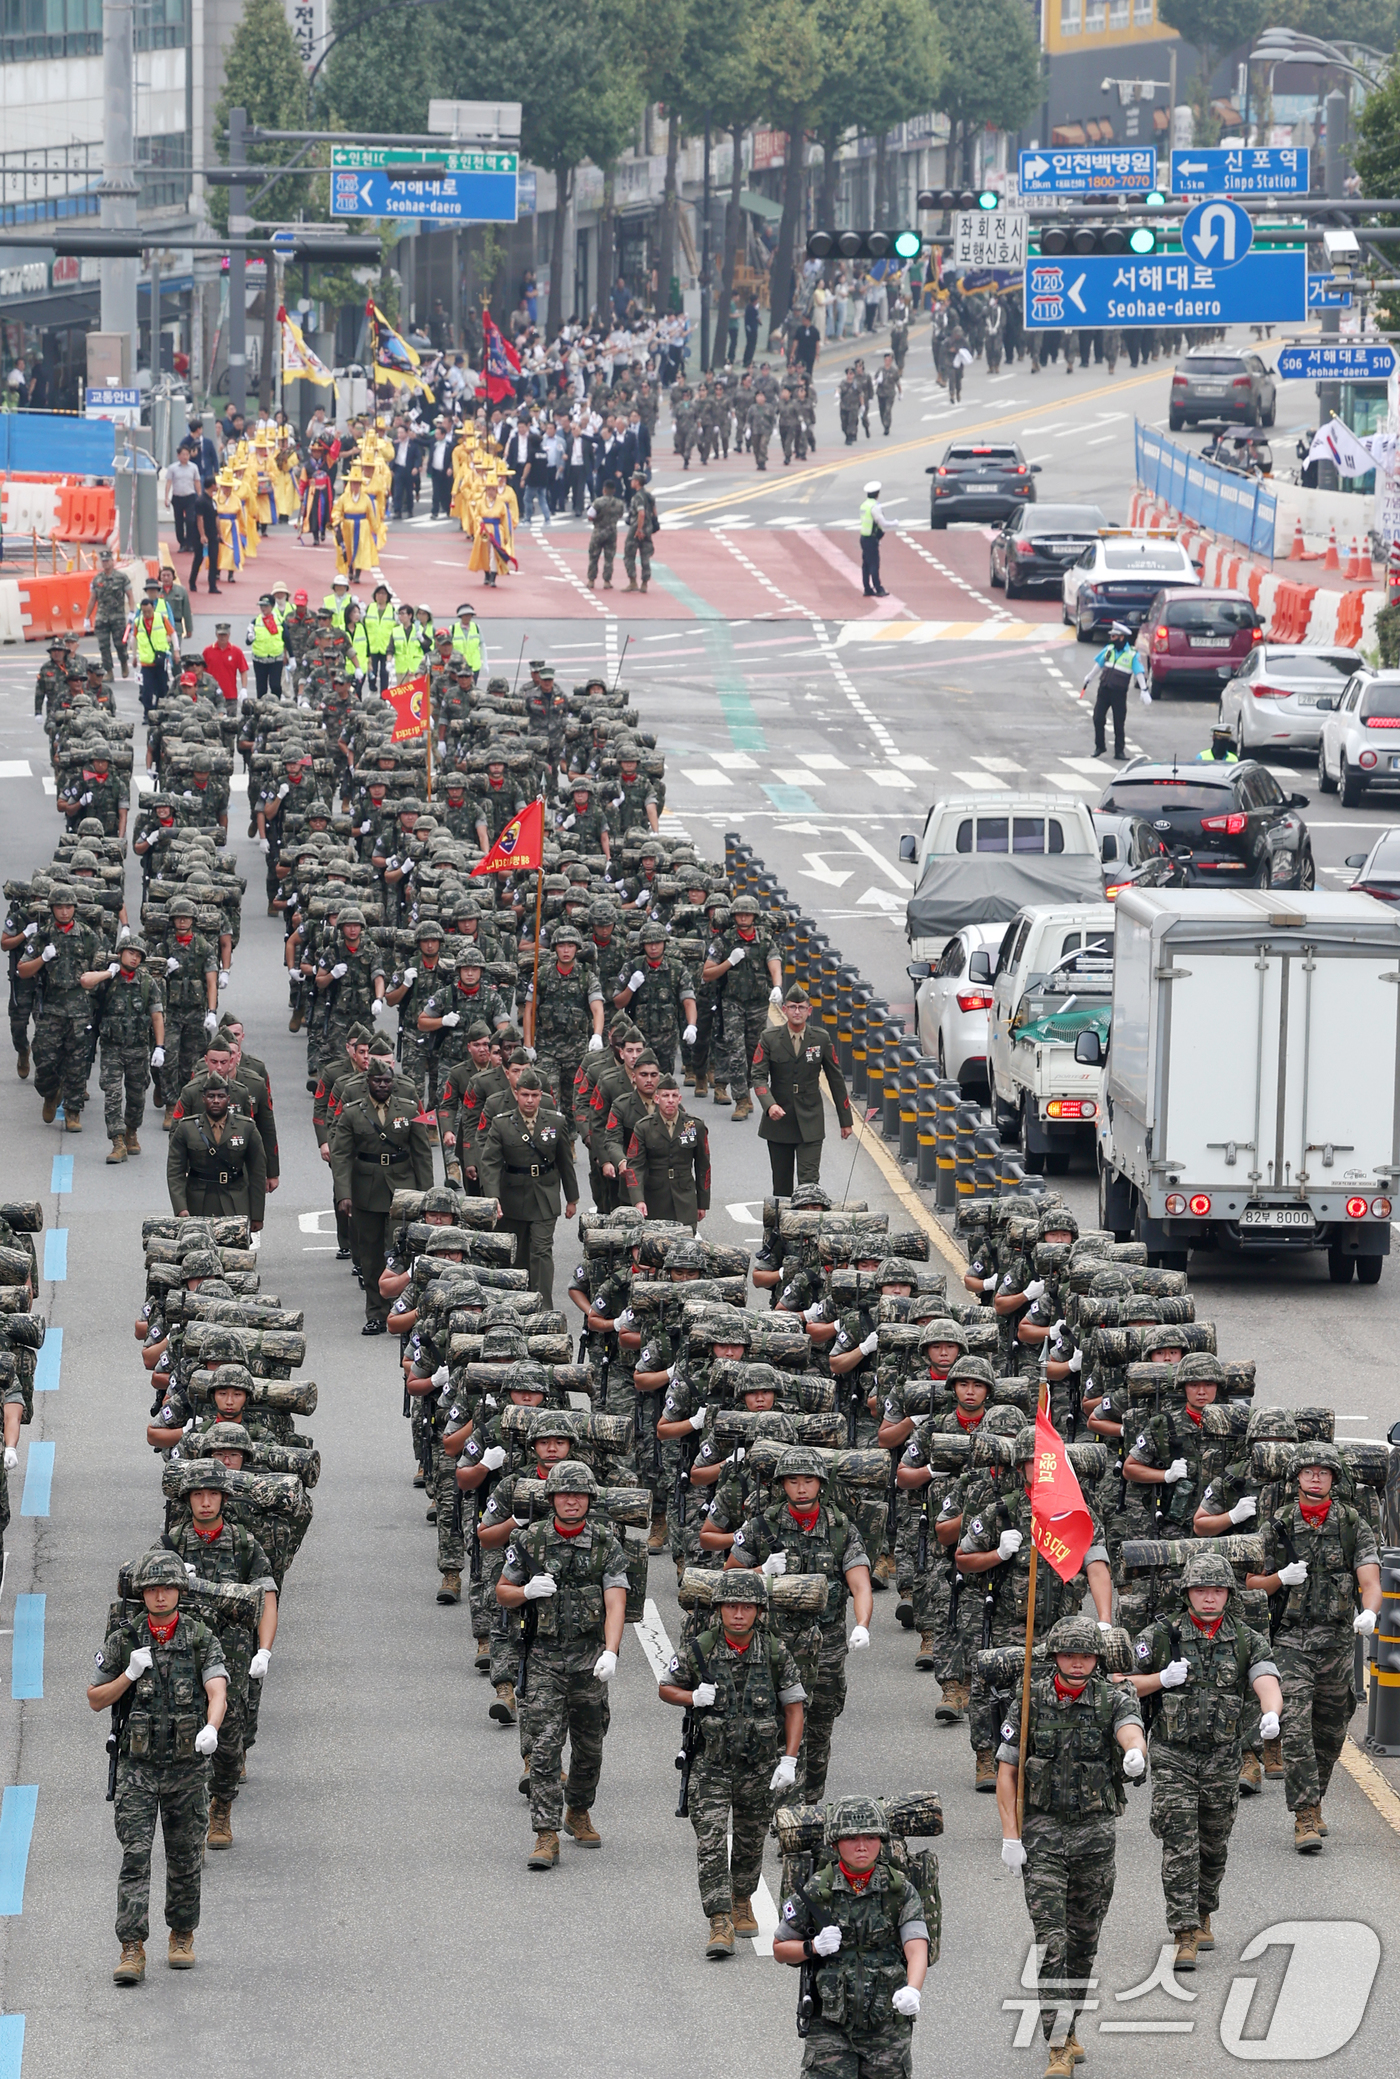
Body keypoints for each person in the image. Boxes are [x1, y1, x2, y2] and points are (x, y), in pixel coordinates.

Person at [996, 1615, 1148, 2074]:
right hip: (1042, 1838)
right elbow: (1008, 1770)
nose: (1077, 1663)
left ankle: (1072, 2021)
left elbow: (1129, 1728)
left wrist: (1135, 1751)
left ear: (1097, 1659)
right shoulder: (1029, 1701)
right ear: (1055, 1657)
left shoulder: (1113, 1698)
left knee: (1084, 1941)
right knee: (1053, 1941)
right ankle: (1057, 2042)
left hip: (1095, 1840)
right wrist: (1010, 1835)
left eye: (1086, 1655)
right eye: (1069, 1655)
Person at [1129, 1550, 1282, 1969]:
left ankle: (1203, 1910)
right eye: (1201, 1590)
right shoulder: (1161, 1636)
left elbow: (1265, 1676)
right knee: (1181, 1843)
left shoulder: (1248, 1638)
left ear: (1229, 1594)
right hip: (1172, 1756)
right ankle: (1184, 1932)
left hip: (1222, 1757)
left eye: (1217, 1590)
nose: (1209, 1598)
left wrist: (1271, 1711)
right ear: (1187, 1593)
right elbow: (1116, 1680)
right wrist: (1158, 1679)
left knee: (1214, 1845)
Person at [87, 1548, 228, 1983]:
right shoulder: (123, 1639)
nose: (160, 1596)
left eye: (167, 1588)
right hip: (138, 1769)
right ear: (143, 1594)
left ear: (179, 1592)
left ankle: (181, 1935)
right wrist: (128, 1674)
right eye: (152, 1589)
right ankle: (131, 1948)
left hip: (187, 1770)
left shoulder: (201, 1636)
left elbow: (217, 1686)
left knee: (185, 1857)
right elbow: (94, 1699)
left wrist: (212, 1727)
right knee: (135, 1857)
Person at [658, 1570, 804, 1957]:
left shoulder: (774, 1652)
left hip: (758, 1765)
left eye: (746, 1607)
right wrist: (691, 1698)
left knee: (750, 1840)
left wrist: (788, 1759)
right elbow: (665, 1687)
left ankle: (742, 1899)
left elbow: (793, 1706)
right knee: (709, 1843)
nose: (738, 1614)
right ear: (719, 1609)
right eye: (730, 1606)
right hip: (711, 1765)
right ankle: (719, 1920)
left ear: (758, 1611)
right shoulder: (700, 1649)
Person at [1246, 1439, 1381, 1852]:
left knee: (1332, 1727)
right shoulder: (1279, 1524)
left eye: (1324, 1472)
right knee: (1298, 1725)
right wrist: (1278, 1580)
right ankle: (1304, 1815)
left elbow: (1371, 1580)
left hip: (1338, 1641)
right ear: (1297, 1479)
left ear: (1333, 1479)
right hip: (1290, 1640)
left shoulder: (1351, 1524)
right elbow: (1250, 1581)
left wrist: (1370, 1612)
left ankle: (1315, 1798)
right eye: (1309, 1472)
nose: (1316, 1477)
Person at [496, 1459, 629, 1870]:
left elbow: (615, 1601)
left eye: (579, 1494)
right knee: (544, 1748)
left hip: (589, 1659)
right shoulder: (530, 1541)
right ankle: (545, 1834)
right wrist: (525, 1591)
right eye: (564, 1494)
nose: (572, 1500)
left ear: (589, 1499)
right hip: (543, 1659)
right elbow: (502, 1592)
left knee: (589, 1749)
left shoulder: (606, 1543)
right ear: (551, 1498)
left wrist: (611, 1651)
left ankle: (578, 1810)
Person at [728, 1448, 872, 1806]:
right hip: (775, 1647)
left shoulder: (840, 1529)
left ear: (820, 1484)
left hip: (826, 1646)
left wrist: (863, 1624)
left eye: (808, 1480)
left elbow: (860, 1582)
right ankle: (783, 1811)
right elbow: (728, 1578)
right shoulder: (762, 1526)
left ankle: (808, 1809)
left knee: (820, 1728)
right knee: (779, 1727)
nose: (801, 1488)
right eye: (793, 1481)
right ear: (782, 1486)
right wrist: (761, 1571)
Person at [163, 1458, 278, 1851]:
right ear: (188, 1499)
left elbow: (265, 1598)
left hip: (232, 1655)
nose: (206, 1502)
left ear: (224, 1499)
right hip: (181, 1655)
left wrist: (264, 1649)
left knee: (230, 1743)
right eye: (198, 1494)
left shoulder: (244, 1544)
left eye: (213, 1494)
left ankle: (222, 1803)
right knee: (181, 1738)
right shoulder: (171, 1544)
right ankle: (192, 1814)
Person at [773, 1796, 930, 2061]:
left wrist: (913, 1988)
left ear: (881, 1841)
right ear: (835, 1844)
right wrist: (812, 1947)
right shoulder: (816, 1890)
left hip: (887, 2025)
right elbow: (780, 1949)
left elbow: (916, 1948)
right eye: (851, 1839)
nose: (861, 1847)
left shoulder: (899, 1890)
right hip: (829, 2026)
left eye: (870, 1838)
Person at [330, 1057, 435, 1333]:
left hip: (403, 1187)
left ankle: (403, 1310)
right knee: (371, 1253)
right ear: (368, 1083)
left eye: (387, 1081)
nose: (382, 1085)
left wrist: (427, 1196)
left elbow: (423, 1154)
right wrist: (343, 1193)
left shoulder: (409, 1109)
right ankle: (376, 1311)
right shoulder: (353, 1112)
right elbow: (341, 1155)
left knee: (402, 1251)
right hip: (366, 1188)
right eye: (377, 1081)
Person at [477, 1068, 579, 1305]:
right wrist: (494, 1199)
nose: (530, 1100)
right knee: (518, 1254)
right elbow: (489, 1163)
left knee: (541, 1252)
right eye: (525, 1095)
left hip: (545, 1194)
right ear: (516, 1094)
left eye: (534, 1095)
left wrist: (572, 1198)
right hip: (512, 1196)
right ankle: (518, 1304)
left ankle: (543, 1307)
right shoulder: (501, 1124)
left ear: (541, 1094)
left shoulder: (555, 1121)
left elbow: (565, 1161)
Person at [16, 882, 101, 1130]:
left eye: (68, 907)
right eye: (59, 907)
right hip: (51, 1008)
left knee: (77, 1062)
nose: (64, 912)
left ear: (75, 908)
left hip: (79, 1008)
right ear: (51, 909)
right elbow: (22, 970)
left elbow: (101, 968)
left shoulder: (88, 936)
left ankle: (73, 1112)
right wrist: (42, 958)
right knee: (43, 1060)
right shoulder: (42, 936)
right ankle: (50, 1092)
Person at [751, 985, 853, 1194]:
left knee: (809, 1185)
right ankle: (779, 1226)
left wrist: (846, 1121)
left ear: (809, 1010)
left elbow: (836, 1080)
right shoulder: (769, 1038)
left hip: (811, 1119)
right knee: (781, 1187)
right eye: (792, 1007)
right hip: (779, 1122)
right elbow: (758, 1077)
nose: (797, 1012)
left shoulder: (821, 1038)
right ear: (784, 1009)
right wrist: (770, 1106)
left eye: (801, 1007)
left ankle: (807, 1224)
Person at [84, 933, 164, 1164]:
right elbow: (85, 981)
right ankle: (117, 1142)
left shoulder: (148, 982)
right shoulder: (109, 979)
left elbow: (157, 1016)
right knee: (112, 1094)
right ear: (120, 954)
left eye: (138, 955)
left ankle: (131, 1131)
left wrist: (159, 1047)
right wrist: (108, 973)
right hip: (112, 1049)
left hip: (139, 1049)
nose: (134, 958)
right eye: (130, 953)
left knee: (137, 1096)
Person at [165, 1073, 267, 1230]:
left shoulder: (246, 1127)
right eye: (211, 1096)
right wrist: (180, 1208)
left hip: (235, 1202)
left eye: (221, 1096)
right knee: (198, 1251)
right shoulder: (187, 1128)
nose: (216, 1101)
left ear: (229, 1099)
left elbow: (257, 1173)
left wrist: (257, 1215)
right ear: (203, 1099)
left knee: (235, 1254)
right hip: (198, 1204)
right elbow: (175, 1171)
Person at [621, 1073, 710, 1229]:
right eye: (665, 1095)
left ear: (679, 1099)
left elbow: (703, 1166)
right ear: (657, 1099)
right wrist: (638, 1200)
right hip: (655, 1198)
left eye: (674, 1095)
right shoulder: (644, 1127)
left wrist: (702, 1202)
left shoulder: (693, 1125)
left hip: (685, 1198)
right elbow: (634, 1167)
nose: (670, 1100)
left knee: (686, 1247)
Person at [1080, 623, 1148, 760]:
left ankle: (1119, 751)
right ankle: (1100, 746)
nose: (1111, 638)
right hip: (1104, 689)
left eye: (1114, 636)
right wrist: (1089, 677)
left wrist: (1144, 689)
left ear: (1122, 638)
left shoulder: (1131, 654)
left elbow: (1139, 672)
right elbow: (1099, 664)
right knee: (1098, 718)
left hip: (1119, 693)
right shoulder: (1109, 649)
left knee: (1119, 722)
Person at [89, 550, 135, 678]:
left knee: (120, 644)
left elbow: (130, 595)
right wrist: (87, 618)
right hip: (102, 617)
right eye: (103, 561)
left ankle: (124, 663)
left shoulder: (121, 577)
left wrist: (132, 612)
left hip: (118, 617)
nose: (105, 563)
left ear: (112, 561)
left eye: (107, 561)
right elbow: (92, 598)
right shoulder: (97, 579)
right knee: (103, 646)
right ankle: (108, 671)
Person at [858, 480, 897, 599]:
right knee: (874, 564)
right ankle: (878, 588)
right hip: (871, 539)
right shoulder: (874, 507)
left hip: (863, 537)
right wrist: (895, 523)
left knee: (866, 564)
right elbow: (882, 523)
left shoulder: (864, 505)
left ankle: (867, 588)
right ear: (877, 493)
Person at [587, 477, 625, 590]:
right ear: (614, 490)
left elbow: (590, 516)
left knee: (594, 556)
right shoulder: (619, 503)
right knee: (609, 558)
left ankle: (591, 580)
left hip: (599, 531)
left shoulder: (598, 502)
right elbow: (620, 515)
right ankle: (607, 581)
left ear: (604, 489)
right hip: (612, 532)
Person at [623, 471, 659, 593]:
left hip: (636, 529)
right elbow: (654, 510)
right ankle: (644, 582)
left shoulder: (638, 497)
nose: (631, 482)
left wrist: (639, 529)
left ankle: (633, 581)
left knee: (629, 554)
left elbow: (641, 513)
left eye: (633, 480)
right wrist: (654, 523)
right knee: (645, 556)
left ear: (637, 482)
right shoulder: (649, 496)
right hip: (648, 528)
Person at [164, 446, 201, 550]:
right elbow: (169, 483)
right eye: (183, 454)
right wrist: (166, 497)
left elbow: (197, 482)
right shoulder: (173, 468)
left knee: (190, 520)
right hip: (177, 497)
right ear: (178, 456)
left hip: (190, 497)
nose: (185, 457)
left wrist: (200, 496)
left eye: (187, 454)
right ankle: (182, 542)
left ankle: (190, 542)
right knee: (179, 521)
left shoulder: (194, 467)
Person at [189, 478, 221, 595]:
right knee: (199, 558)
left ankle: (212, 585)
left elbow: (216, 518)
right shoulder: (201, 501)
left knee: (213, 559)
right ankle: (192, 581)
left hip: (213, 535)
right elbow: (199, 518)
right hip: (202, 536)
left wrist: (219, 533)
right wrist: (202, 535)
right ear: (212, 485)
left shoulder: (213, 501)